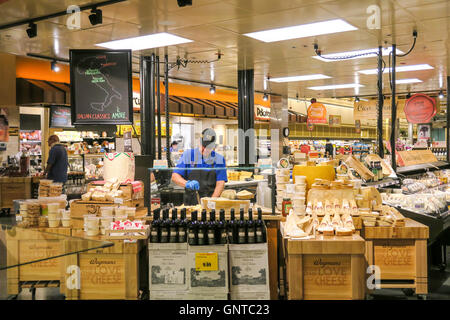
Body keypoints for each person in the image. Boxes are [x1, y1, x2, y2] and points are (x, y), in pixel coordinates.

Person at [171, 128, 227, 205]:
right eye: (203, 146)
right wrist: (187, 183)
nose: (205, 150)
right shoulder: (188, 155)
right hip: (190, 202)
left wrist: (211, 202)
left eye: (208, 147)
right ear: (199, 142)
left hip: (211, 200)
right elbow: (175, 176)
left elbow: (220, 183)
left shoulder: (219, 159)